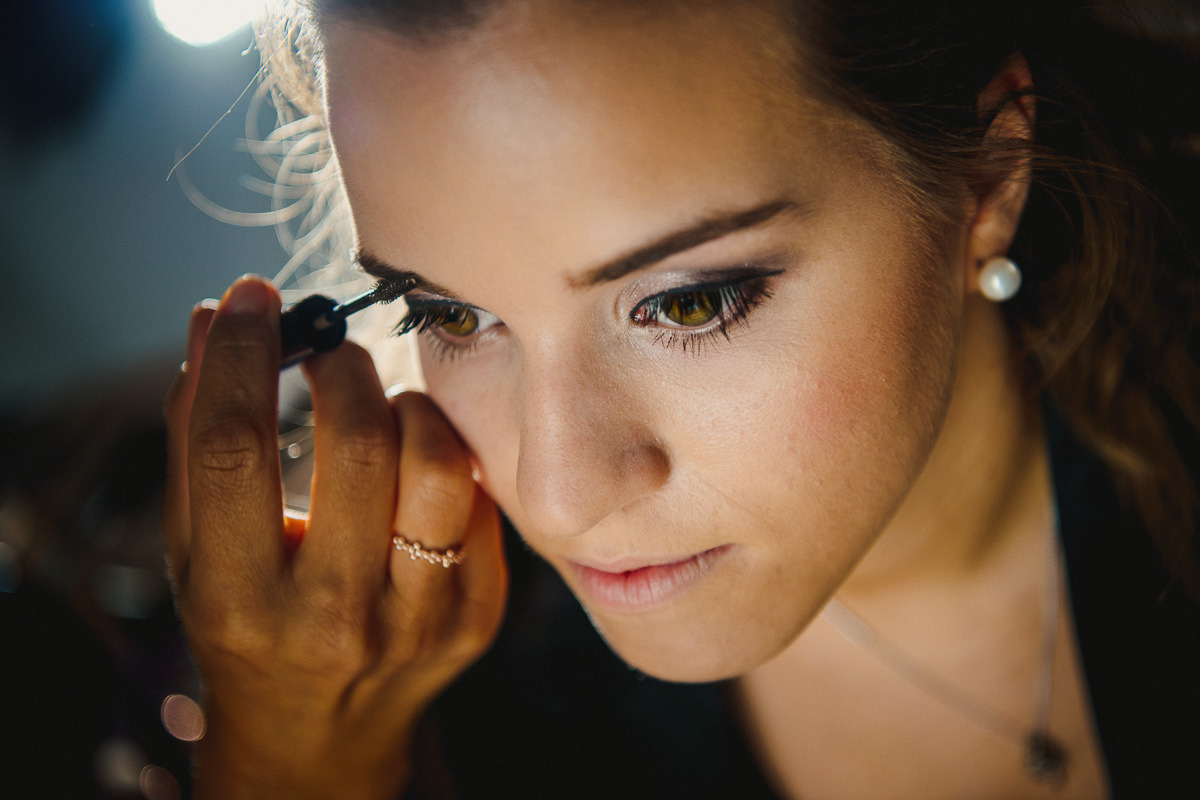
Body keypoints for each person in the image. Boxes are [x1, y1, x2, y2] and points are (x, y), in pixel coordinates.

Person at [162, 0, 1200, 797]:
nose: (559, 497)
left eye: (691, 304)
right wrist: (289, 765)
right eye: (452, 316)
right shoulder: (462, 710)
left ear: (989, 174)